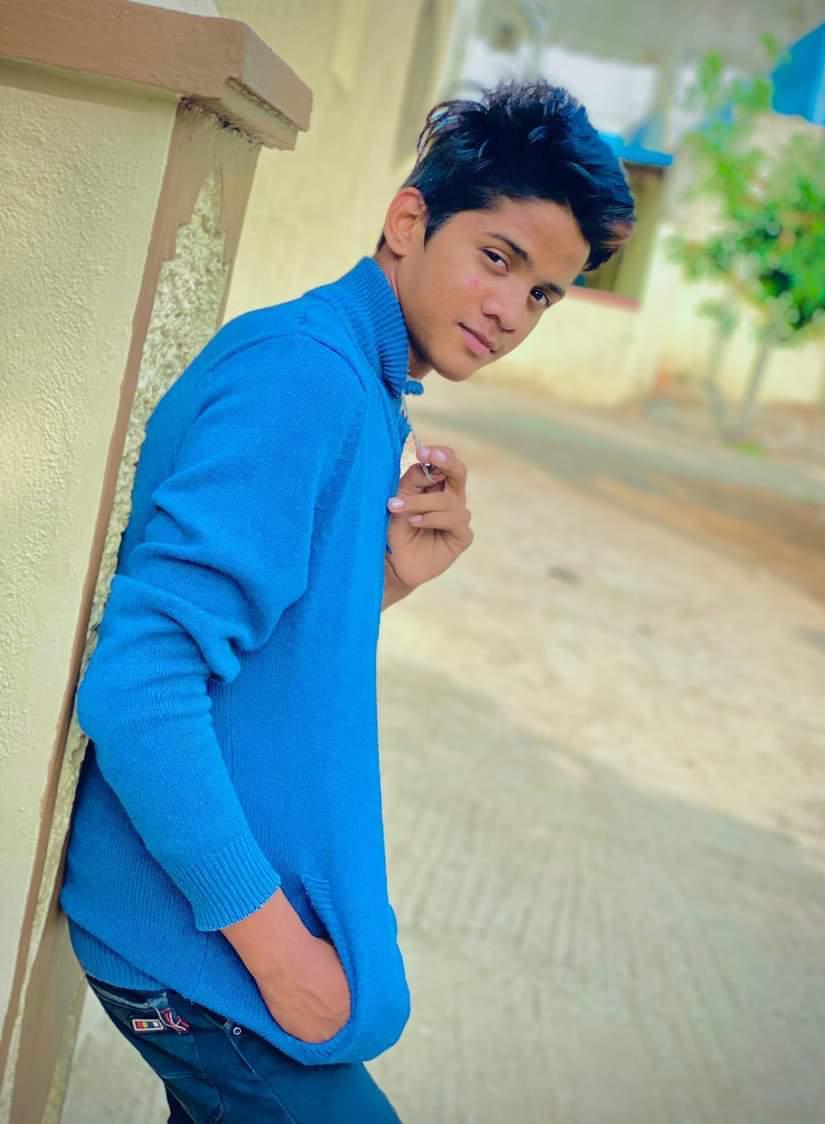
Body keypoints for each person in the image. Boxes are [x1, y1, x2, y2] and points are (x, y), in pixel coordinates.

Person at [59, 79, 635, 1122]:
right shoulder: (306, 375)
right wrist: (280, 954)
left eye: (545, 293)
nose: (511, 311)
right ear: (409, 220)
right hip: (208, 961)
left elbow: (257, 648)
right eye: (497, 257)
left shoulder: (361, 382)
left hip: (221, 951)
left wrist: (389, 576)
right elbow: (141, 683)